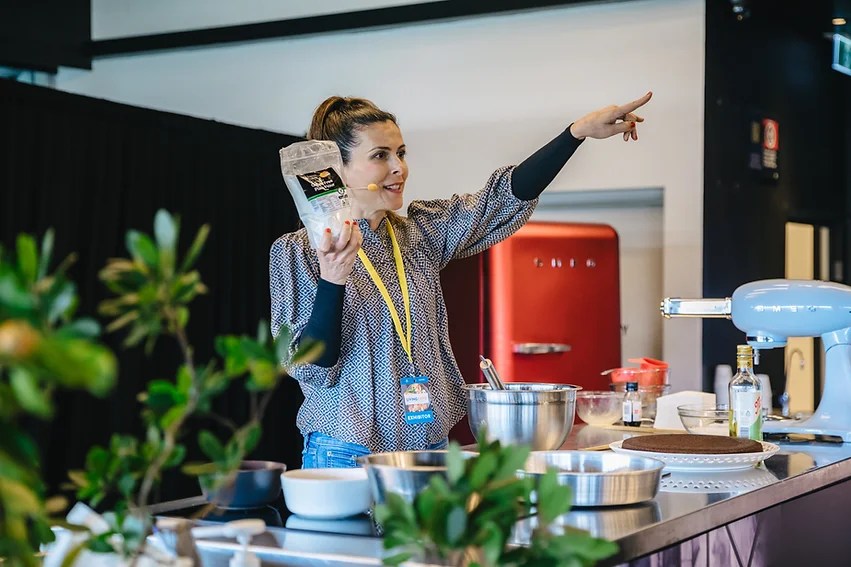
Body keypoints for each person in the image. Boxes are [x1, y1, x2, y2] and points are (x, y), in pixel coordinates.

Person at [270, 92, 652, 468]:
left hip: (430, 449)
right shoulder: (298, 251)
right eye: (380, 156)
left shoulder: (419, 232)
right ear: (337, 170)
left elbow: (500, 200)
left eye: (401, 153)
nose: (399, 167)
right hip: (347, 455)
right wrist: (333, 279)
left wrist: (576, 134)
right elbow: (310, 366)